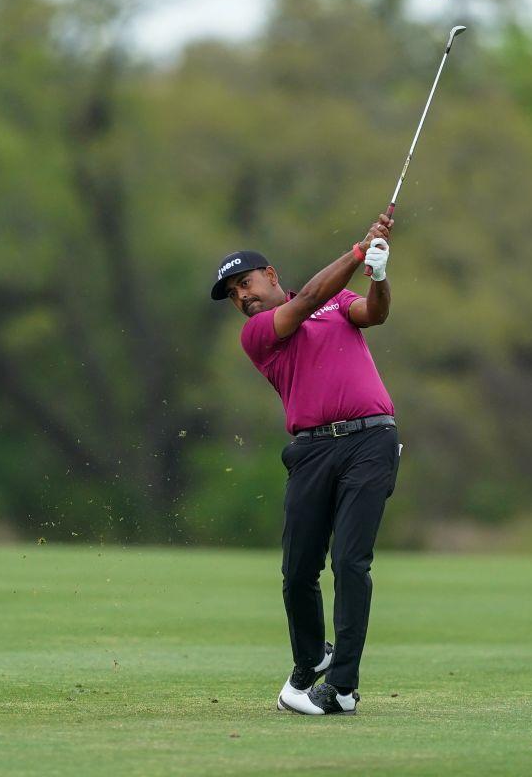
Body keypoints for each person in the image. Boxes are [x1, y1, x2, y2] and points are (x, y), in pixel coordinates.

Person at [209, 214, 400, 714]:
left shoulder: (337, 301)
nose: (242, 298)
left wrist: (377, 275)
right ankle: (312, 656)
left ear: (270, 275)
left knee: (351, 562)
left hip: (371, 440)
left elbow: (373, 315)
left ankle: (340, 685)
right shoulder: (258, 333)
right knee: (298, 571)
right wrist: (359, 252)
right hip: (313, 450)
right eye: (232, 294)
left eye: (244, 284)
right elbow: (310, 298)